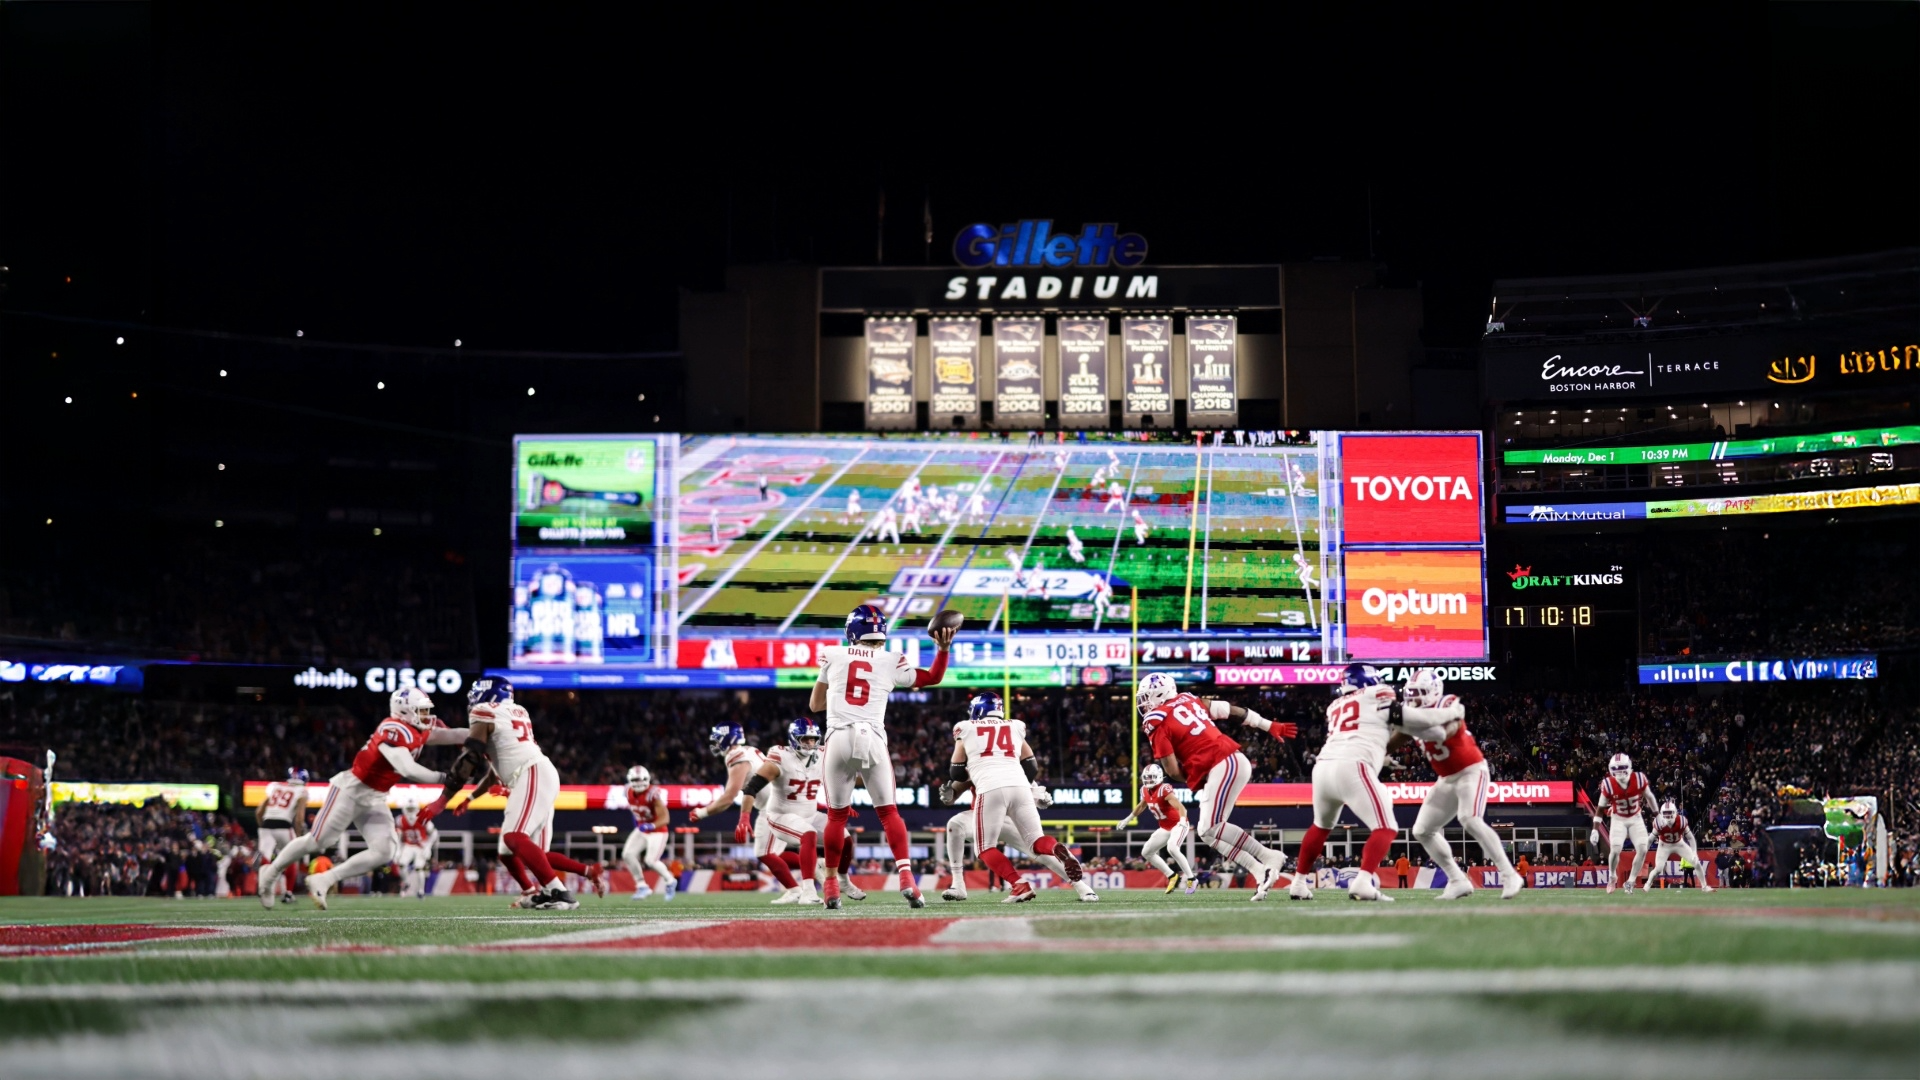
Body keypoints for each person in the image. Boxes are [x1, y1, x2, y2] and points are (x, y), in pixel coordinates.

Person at [257, 688, 468, 911]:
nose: (428, 717)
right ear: (405, 712)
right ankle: (269, 874)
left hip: (375, 797)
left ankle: (325, 879)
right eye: (422, 711)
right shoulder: (393, 730)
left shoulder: (418, 730)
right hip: (351, 790)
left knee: (385, 851)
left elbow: (455, 734)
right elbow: (408, 768)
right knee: (318, 841)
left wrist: (487, 735)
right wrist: (446, 778)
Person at [810, 603, 952, 909]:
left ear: (852, 632)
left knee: (836, 816)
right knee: (889, 813)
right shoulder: (891, 659)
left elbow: (815, 705)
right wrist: (942, 649)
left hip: (838, 737)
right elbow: (933, 677)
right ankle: (907, 879)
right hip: (872, 736)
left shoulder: (832, 654)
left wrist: (837, 691)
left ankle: (832, 885)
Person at [422, 677, 593, 911]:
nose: (472, 699)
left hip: (531, 773)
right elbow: (493, 764)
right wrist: (470, 797)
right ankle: (536, 892)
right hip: (533, 773)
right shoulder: (513, 711)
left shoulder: (484, 711)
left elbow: (471, 757)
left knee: (514, 836)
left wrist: (443, 800)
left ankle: (558, 892)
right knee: (506, 849)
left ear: (487, 694)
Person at [1136, 673, 1296, 901]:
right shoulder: (1189, 699)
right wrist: (1267, 725)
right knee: (1207, 832)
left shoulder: (1156, 720)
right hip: (1230, 761)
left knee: (1210, 827)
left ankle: (1269, 857)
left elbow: (1171, 771)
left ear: (1160, 694)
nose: (1144, 703)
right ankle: (1259, 871)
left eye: (1147, 697)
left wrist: (1194, 775)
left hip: (1223, 762)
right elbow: (1230, 710)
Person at [940, 691, 1091, 904]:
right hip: (1017, 789)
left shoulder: (966, 730)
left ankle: (1032, 885)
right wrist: (952, 794)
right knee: (1036, 845)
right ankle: (958, 885)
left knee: (984, 848)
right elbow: (1031, 767)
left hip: (991, 800)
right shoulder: (1015, 729)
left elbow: (958, 773)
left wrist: (957, 785)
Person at [1396, 668, 1523, 901]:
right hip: (1446, 778)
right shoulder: (1412, 716)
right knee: (1422, 830)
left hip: (1471, 771)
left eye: (1419, 693)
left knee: (1470, 818)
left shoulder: (1447, 702)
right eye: (1410, 693)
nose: (1413, 699)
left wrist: (1416, 726)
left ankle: (1509, 874)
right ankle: (1457, 880)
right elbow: (1398, 737)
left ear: (1433, 692)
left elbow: (1449, 728)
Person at [1289, 664, 1403, 903]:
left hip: (1323, 767)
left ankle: (1298, 883)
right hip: (1352, 764)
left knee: (1321, 826)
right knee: (1386, 826)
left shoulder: (1335, 705)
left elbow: (1360, 730)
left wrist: (1380, 754)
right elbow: (1403, 722)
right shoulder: (1379, 693)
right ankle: (1362, 882)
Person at [942, 781, 1091, 901]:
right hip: (1003, 816)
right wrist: (1040, 796)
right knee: (1037, 849)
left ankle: (1080, 886)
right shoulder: (1009, 757)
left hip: (990, 816)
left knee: (975, 841)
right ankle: (1083, 887)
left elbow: (960, 780)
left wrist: (952, 794)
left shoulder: (980, 756)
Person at [741, 718, 827, 906]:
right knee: (768, 853)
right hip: (778, 808)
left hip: (782, 811)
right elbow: (752, 786)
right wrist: (744, 816)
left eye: (813, 739)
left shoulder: (821, 755)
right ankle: (804, 881)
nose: (810, 743)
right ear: (794, 738)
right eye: (805, 739)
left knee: (768, 852)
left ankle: (803, 887)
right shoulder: (781, 756)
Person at [1115, 763, 1197, 894]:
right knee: (1146, 852)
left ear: (1159, 777)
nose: (1148, 780)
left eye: (1151, 777)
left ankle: (1192, 878)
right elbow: (1141, 806)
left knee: (1172, 848)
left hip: (1178, 824)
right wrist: (1127, 819)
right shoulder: (1144, 790)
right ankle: (1172, 876)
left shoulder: (1164, 789)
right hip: (1165, 827)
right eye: (1146, 777)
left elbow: (1182, 808)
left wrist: (1182, 822)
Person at [1595, 753, 1660, 894]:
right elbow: (1600, 808)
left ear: (1629, 767)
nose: (1619, 771)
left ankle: (1630, 881)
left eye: (1622, 768)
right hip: (1618, 818)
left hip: (1635, 818)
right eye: (1616, 768)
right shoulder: (1608, 784)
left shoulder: (1639, 778)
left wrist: (1657, 815)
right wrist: (1595, 828)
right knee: (1615, 850)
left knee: (1643, 849)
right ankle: (1612, 876)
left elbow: (1649, 797)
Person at [254, 767, 308, 904]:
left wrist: (263, 827)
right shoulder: (302, 791)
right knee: (292, 858)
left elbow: (259, 812)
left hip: (266, 824)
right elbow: (299, 819)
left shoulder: (276, 787)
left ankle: (264, 887)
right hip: (284, 825)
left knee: (266, 857)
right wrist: (298, 835)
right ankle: (288, 893)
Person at [621, 765, 674, 900]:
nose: (639, 783)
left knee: (650, 861)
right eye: (635, 780)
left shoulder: (653, 794)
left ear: (647, 779)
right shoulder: (627, 792)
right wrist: (639, 825)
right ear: (630, 780)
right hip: (642, 829)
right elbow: (635, 811)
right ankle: (642, 886)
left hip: (658, 831)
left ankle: (670, 881)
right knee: (627, 854)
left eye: (641, 779)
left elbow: (665, 818)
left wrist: (650, 825)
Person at [1651, 801, 1715, 893]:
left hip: (1679, 844)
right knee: (1658, 868)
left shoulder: (1681, 821)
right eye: (1666, 813)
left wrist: (1694, 853)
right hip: (1664, 845)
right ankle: (1648, 883)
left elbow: (1691, 838)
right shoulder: (1658, 823)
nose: (1668, 816)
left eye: (1670, 813)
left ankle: (1704, 886)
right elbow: (1652, 837)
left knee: (1696, 864)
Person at [393, 793, 437, 899]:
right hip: (408, 845)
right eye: (409, 809)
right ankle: (406, 883)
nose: (411, 811)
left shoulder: (422, 818)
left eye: (412, 809)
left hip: (421, 845)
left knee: (419, 868)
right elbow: (398, 836)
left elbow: (434, 833)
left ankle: (421, 891)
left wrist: (428, 847)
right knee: (402, 864)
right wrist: (397, 850)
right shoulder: (400, 820)